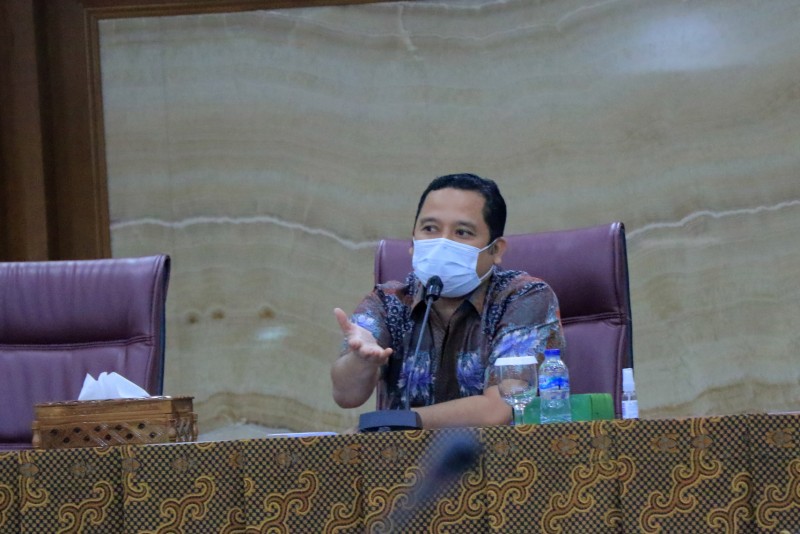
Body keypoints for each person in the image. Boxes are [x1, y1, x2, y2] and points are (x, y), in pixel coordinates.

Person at [331, 174, 564, 428]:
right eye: (430, 229)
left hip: (497, 453)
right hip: (401, 454)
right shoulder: (388, 302)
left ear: (496, 250)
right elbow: (347, 396)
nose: (442, 243)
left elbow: (498, 409)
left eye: (462, 232)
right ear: (412, 242)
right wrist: (361, 362)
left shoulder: (523, 297)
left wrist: (397, 423)